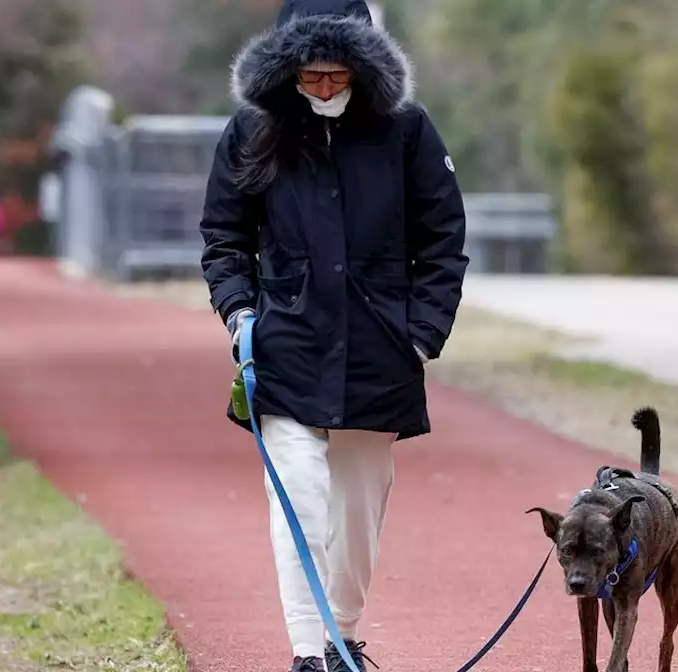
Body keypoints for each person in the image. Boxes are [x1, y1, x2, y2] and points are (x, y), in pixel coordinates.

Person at [197, 1, 468, 670]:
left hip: (381, 351)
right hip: (285, 346)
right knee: (299, 496)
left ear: (362, 67)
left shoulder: (406, 132)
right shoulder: (251, 130)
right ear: (286, 68)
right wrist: (240, 316)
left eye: (336, 76)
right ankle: (306, 654)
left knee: (356, 513)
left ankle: (340, 633)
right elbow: (223, 237)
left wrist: (421, 335)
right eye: (309, 76)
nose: (323, 89)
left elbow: (444, 239)